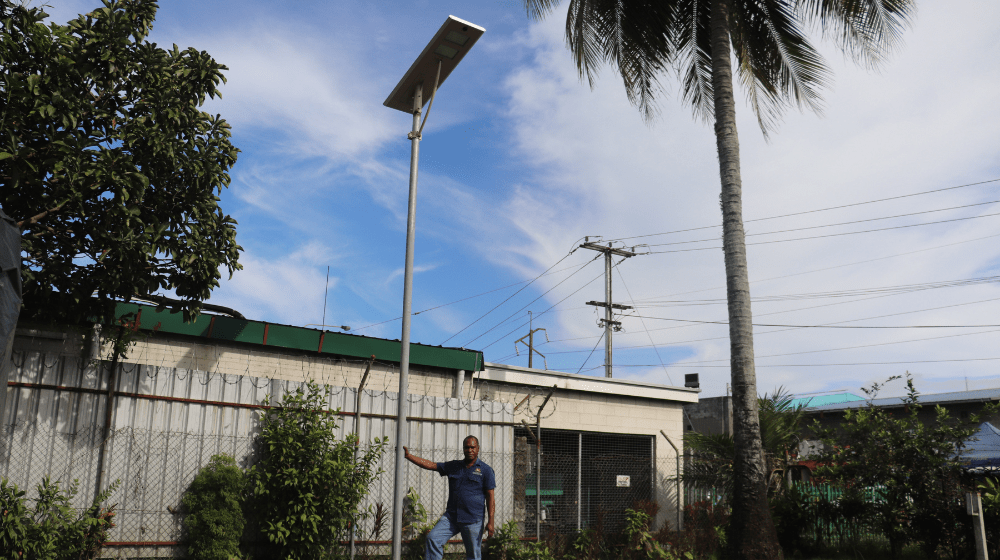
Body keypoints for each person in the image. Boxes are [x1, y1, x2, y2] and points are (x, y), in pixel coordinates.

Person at [403, 435, 495, 560]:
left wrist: (491, 521)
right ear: (463, 449)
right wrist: (409, 457)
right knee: (433, 538)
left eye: (473, 447)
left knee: (473, 555)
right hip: (451, 517)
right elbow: (431, 465)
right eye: (467, 447)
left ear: (478, 449)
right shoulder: (454, 466)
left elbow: (490, 497)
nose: (470, 450)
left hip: (473, 519)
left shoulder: (486, 470)